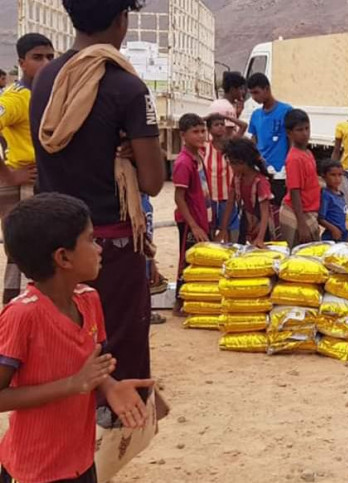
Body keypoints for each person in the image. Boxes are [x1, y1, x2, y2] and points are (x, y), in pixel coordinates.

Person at [30, 0, 164, 420]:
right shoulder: (126, 86)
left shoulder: (46, 78)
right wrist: (130, 154)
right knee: (117, 345)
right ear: (122, 19)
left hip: (53, 239)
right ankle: (112, 434)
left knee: (65, 341)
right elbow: (153, 181)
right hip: (109, 242)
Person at [0, 193, 153, 483]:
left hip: (80, 461)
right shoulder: (22, 315)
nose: (99, 248)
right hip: (34, 470)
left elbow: (92, 368)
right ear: (63, 257)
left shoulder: (89, 299)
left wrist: (110, 386)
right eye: (91, 239)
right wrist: (72, 385)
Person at [0, 34, 54, 305]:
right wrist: (9, 174)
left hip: (43, 181)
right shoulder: (16, 98)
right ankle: (16, 313)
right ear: (21, 63)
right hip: (21, 183)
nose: (45, 63)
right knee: (22, 252)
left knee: (44, 250)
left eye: (50, 57)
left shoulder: (50, 93)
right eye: (37, 57)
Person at [173, 114, 211, 314]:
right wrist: (194, 226)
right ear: (183, 135)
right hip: (190, 222)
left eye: (203, 131)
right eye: (195, 132)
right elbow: (179, 197)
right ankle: (179, 302)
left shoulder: (199, 156)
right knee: (187, 261)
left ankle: (195, 300)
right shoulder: (183, 163)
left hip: (202, 217)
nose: (201, 136)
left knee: (201, 261)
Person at [219, 138, 278, 246]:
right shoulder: (237, 178)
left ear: (243, 163)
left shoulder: (260, 182)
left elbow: (265, 213)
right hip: (246, 221)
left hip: (262, 226)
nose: (230, 166)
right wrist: (223, 229)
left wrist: (260, 238)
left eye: (232, 163)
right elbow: (230, 203)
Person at [247, 73, 293, 206]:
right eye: (251, 94)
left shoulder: (286, 111)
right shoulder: (256, 115)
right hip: (262, 171)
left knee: (279, 209)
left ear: (266, 89)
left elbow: (292, 141)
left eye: (256, 92)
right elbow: (254, 141)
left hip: (280, 172)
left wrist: (289, 168)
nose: (254, 97)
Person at [279, 109, 321, 247]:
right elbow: (294, 191)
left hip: (309, 211)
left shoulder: (308, 153)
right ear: (289, 133)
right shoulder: (294, 159)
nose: (305, 133)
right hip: (298, 214)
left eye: (307, 128)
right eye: (299, 130)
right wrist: (302, 224)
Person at [204, 113, 238, 242]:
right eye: (216, 125)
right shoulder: (205, 146)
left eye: (222, 124)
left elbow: (243, 126)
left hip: (228, 196)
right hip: (210, 197)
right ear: (209, 129)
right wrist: (207, 117)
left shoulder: (231, 146)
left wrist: (228, 117)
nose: (220, 127)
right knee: (211, 231)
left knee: (230, 232)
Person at [209, 71, 248, 138]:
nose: (243, 92)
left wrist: (237, 114)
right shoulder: (228, 107)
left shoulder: (216, 103)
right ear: (232, 89)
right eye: (240, 89)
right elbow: (228, 137)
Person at [318, 160, 348, 242]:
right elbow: (320, 218)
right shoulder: (326, 195)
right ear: (324, 176)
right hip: (332, 236)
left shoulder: (340, 194)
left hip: (343, 234)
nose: (337, 179)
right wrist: (333, 229)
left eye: (340, 175)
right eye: (333, 175)